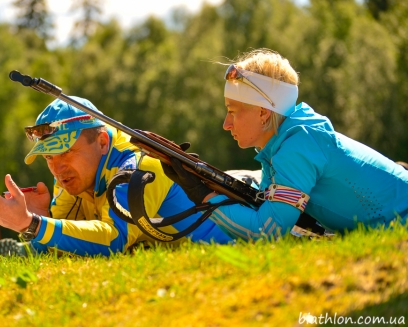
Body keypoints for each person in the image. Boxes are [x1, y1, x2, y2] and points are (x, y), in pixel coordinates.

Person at [162, 48, 408, 241]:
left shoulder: (296, 149)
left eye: (232, 111)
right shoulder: (287, 143)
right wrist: (204, 180)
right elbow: (262, 210)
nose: (226, 124)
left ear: (263, 113)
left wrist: (202, 195)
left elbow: (267, 231)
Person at [0, 97, 233, 257]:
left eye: (66, 151)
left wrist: (32, 223)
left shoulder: (137, 169)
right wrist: (42, 218)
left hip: (228, 244)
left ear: (102, 142)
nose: (58, 169)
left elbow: (113, 239)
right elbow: (64, 245)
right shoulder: (72, 175)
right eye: (49, 158)